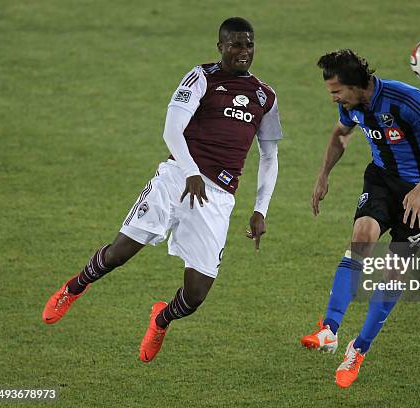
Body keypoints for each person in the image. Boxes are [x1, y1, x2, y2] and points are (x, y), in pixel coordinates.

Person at [42, 17, 283, 363]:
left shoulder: (266, 96)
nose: (243, 52)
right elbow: (172, 130)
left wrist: (261, 208)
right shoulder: (201, 78)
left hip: (217, 199)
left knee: (196, 295)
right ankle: (73, 287)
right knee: (119, 254)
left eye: (249, 45)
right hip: (176, 181)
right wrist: (190, 172)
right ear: (220, 47)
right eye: (235, 44)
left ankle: (161, 319)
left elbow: (270, 155)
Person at [300, 49, 420, 388]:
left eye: (336, 91)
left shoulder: (407, 100)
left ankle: (358, 350)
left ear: (356, 85)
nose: (334, 99)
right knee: (362, 238)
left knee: (394, 269)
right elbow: (341, 136)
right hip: (382, 180)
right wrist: (323, 175)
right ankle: (329, 329)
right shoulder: (351, 106)